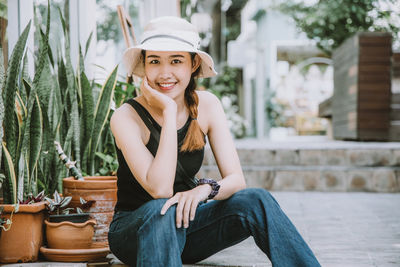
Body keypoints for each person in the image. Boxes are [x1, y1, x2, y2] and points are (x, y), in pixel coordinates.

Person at [108, 16, 321, 267]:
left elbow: (236, 179)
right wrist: (167, 111)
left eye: (176, 61)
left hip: (186, 227)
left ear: (193, 63)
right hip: (134, 232)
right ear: (144, 65)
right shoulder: (126, 117)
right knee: (161, 208)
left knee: (256, 200)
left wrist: (204, 190)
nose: (165, 73)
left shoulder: (207, 105)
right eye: (154, 61)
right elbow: (161, 190)